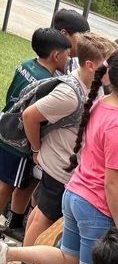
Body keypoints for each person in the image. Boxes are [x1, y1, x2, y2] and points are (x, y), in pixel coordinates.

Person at [7, 33, 118, 264]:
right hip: (59, 165)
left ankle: (32, 260)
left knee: (38, 214)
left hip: (61, 164)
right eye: (109, 64)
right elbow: (29, 116)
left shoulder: (94, 86)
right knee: (43, 217)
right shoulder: (70, 93)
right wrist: (35, 149)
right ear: (91, 65)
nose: (113, 70)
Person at [0, 27, 72, 240]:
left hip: (6, 126)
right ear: (56, 55)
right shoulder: (46, 83)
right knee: (7, 185)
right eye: (67, 54)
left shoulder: (26, 64)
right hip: (19, 141)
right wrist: (35, 147)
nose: (69, 59)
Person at [52, 8, 91, 73]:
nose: (85, 43)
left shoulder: (75, 63)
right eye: (82, 38)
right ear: (64, 34)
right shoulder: (48, 66)